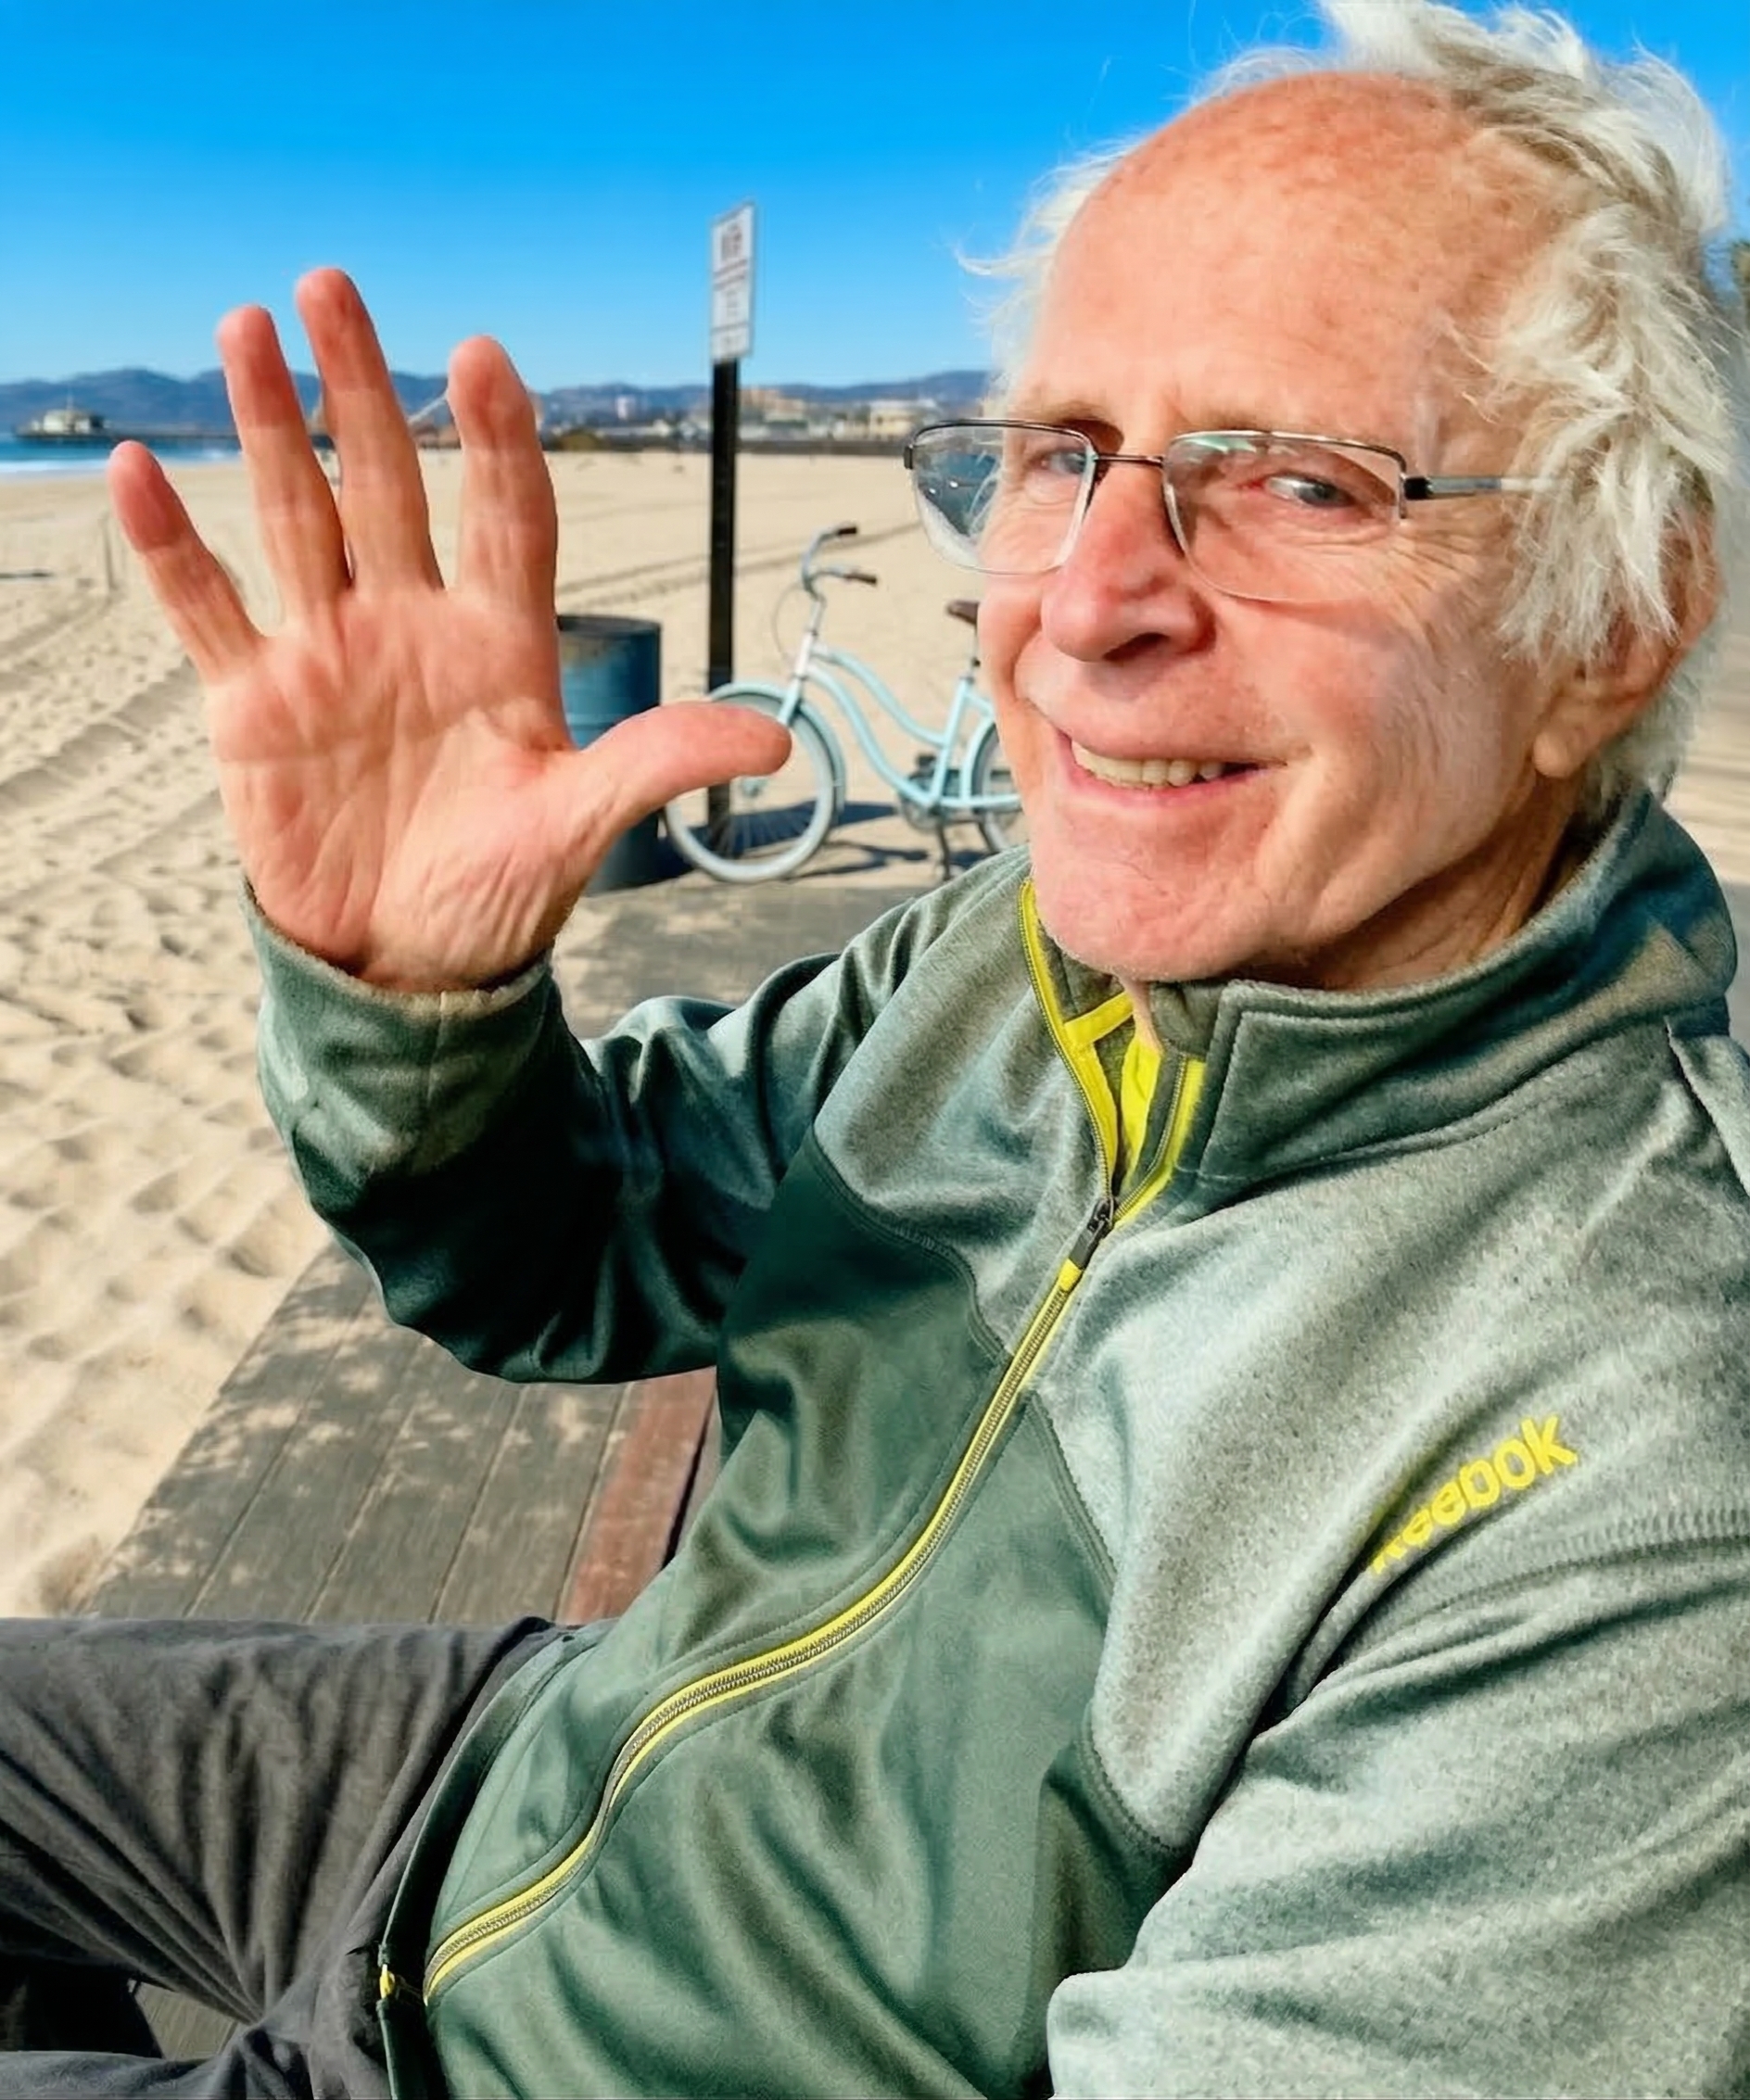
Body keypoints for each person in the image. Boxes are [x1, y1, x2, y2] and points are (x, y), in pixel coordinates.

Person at [6, 1, 1750, 2093]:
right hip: (524, 1772)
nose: (1085, 600)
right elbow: (569, 1252)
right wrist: (416, 1009)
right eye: (1062, 455)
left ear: (1610, 625)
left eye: (1299, 479)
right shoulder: (1014, 957)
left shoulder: (1635, 1464)